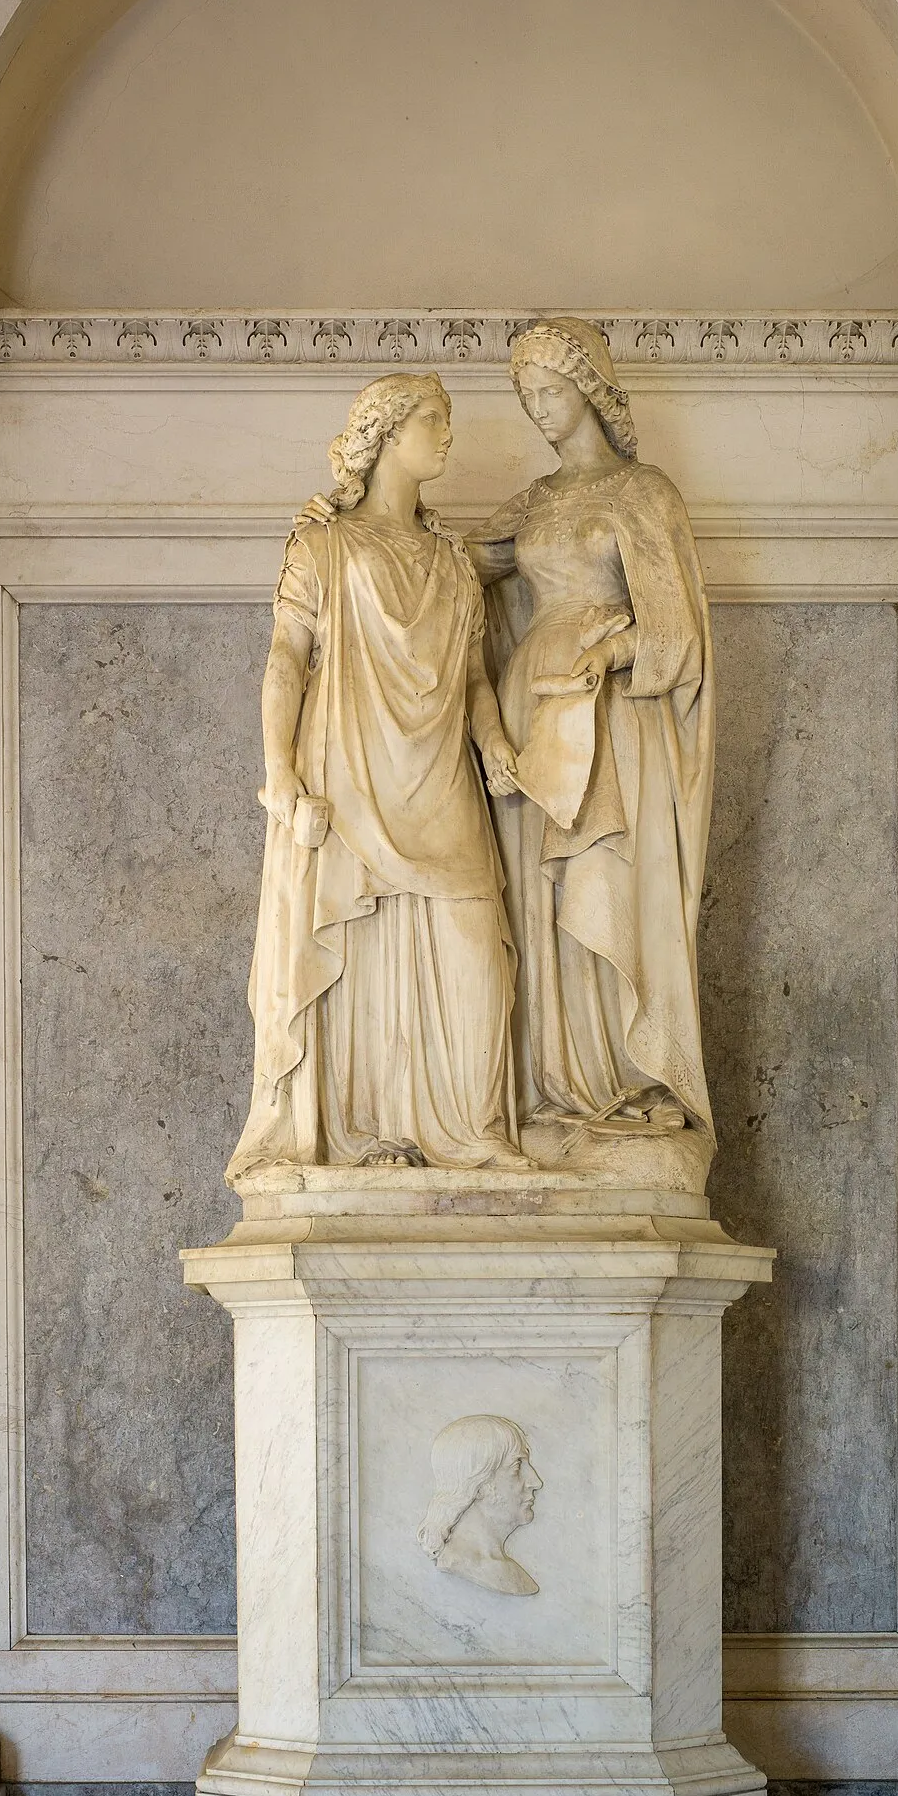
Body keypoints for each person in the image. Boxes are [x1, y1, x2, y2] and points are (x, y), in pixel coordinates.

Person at [227, 372, 528, 1181]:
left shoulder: (454, 561)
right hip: (348, 770)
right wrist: (279, 770)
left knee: (476, 944)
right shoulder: (323, 544)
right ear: (391, 433)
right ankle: (362, 1136)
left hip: (440, 778)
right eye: (435, 420)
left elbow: (470, 679)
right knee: (355, 944)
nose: (447, 435)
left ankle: (475, 1129)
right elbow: (286, 657)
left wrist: (495, 743)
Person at [473, 318, 715, 1182]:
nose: (539, 409)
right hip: (533, 708)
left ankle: (625, 1076)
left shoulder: (643, 493)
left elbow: (678, 631)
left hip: (613, 714)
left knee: (606, 876)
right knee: (537, 898)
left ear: (589, 389)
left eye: (550, 390)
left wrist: (613, 653)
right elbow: (450, 572)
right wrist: (357, 524)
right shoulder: (534, 503)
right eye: (526, 395)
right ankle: (557, 1089)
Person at [417, 1414, 542, 1595]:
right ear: (478, 1484)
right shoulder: (456, 1563)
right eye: (517, 1466)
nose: (536, 1482)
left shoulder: (515, 1576)